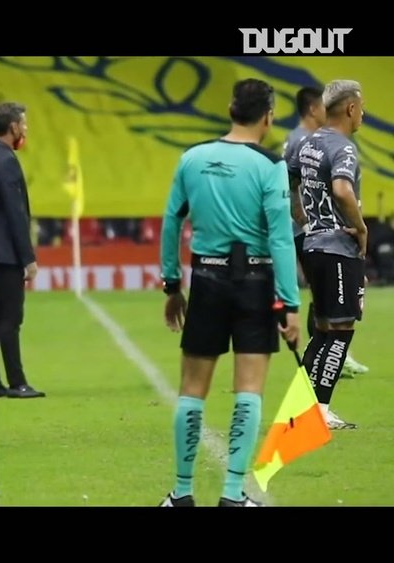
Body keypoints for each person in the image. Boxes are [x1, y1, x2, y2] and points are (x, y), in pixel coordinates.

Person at [158, 79, 301, 507]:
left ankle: (181, 494)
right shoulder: (269, 165)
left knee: (190, 390)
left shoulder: (192, 158)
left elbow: (170, 222)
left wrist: (171, 284)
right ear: (269, 116)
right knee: (249, 390)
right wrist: (289, 303)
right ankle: (233, 495)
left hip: (206, 281)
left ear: (230, 109)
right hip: (255, 285)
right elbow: (280, 238)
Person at [288, 79, 368, 431]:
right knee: (341, 329)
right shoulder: (343, 148)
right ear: (351, 109)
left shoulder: (307, 143)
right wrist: (361, 228)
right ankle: (318, 410)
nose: (363, 113)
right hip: (338, 248)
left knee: (322, 330)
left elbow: (288, 181)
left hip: (312, 245)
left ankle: (303, 407)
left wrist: (300, 214)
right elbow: (341, 189)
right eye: (361, 107)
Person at [0, 101, 45, 400]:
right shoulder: (6, 162)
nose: (25, 129)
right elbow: (15, 213)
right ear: (13, 127)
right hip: (6, 252)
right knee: (10, 318)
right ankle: (18, 382)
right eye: (23, 124)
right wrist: (28, 257)